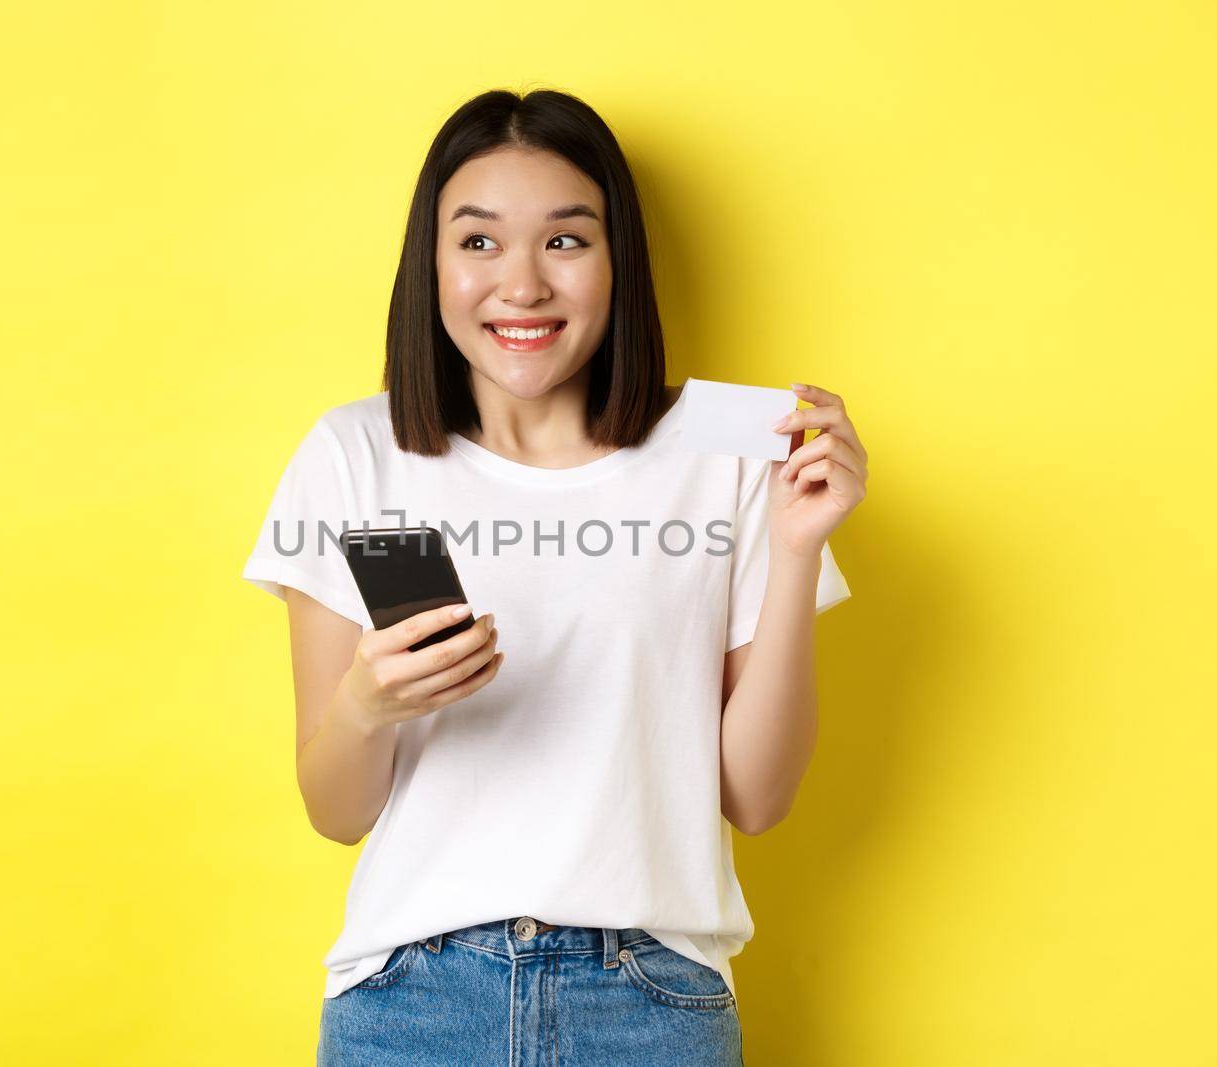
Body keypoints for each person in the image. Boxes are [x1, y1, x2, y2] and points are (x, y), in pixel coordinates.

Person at [242, 87, 869, 1066]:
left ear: (618, 264)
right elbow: (336, 810)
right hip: (409, 1003)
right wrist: (368, 702)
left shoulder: (724, 454)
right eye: (479, 242)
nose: (522, 284)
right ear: (432, 264)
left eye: (566, 241)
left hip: (650, 1002)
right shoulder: (366, 457)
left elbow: (756, 794)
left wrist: (796, 549)